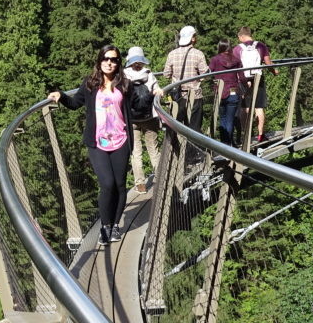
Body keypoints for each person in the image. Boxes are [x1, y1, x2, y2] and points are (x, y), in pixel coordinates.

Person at [48, 45, 133, 245]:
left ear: (118, 63)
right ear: (99, 61)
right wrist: (60, 95)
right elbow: (76, 103)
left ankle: (115, 226)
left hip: (121, 141)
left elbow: (137, 105)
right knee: (107, 184)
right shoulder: (90, 83)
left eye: (113, 59)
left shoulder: (125, 84)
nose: (109, 62)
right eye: (105, 59)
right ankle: (105, 226)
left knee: (120, 186)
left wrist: (154, 91)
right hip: (97, 142)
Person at [123, 46, 161, 193]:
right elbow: (157, 91)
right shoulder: (148, 74)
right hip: (149, 117)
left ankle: (140, 184)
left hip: (131, 119)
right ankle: (159, 178)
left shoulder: (124, 76)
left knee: (135, 152)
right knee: (153, 149)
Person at [162, 25, 210, 139]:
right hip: (195, 97)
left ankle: (176, 153)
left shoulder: (172, 54)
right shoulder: (198, 54)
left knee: (176, 128)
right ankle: (192, 155)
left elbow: (166, 74)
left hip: (177, 97)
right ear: (192, 38)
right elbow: (205, 75)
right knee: (194, 129)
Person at [233, 26, 278, 142]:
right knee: (259, 108)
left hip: (244, 80)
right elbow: (268, 63)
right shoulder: (260, 46)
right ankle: (260, 135)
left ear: (242, 36)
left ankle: (245, 135)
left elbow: (235, 66)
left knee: (245, 108)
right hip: (258, 78)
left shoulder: (238, 49)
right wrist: (275, 71)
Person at [208, 39, 245, 146]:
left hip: (220, 92)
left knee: (222, 118)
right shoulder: (236, 60)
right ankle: (229, 143)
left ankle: (224, 143)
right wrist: (246, 88)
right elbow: (242, 77)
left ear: (220, 47)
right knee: (230, 119)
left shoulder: (215, 60)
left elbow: (209, 74)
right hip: (233, 91)